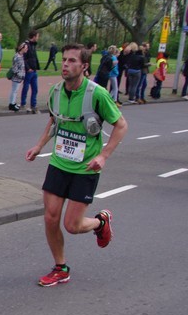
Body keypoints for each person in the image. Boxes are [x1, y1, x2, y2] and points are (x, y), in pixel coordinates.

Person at [25, 43, 128, 287]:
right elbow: (54, 121)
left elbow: (121, 125)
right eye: (64, 60)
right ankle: (60, 268)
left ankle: (100, 222)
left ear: (84, 66)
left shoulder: (97, 94)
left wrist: (103, 156)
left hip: (85, 168)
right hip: (59, 162)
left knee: (72, 225)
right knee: (50, 218)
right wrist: (39, 146)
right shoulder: (56, 92)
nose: (65, 64)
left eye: (72, 61)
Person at [20, 30, 40, 114]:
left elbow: (34, 57)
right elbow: (23, 58)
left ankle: (33, 104)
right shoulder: (26, 45)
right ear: (34, 36)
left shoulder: (33, 46)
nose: (38, 38)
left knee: (35, 88)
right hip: (29, 71)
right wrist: (28, 68)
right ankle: (23, 103)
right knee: (26, 87)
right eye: (37, 36)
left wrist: (37, 66)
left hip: (34, 70)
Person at [8, 41, 27, 111]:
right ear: (22, 48)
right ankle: (11, 104)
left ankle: (13, 102)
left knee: (15, 90)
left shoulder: (21, 56)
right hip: (16, 77)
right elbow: (15, 69)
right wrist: (20, 75)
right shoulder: (17, 57)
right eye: (26, 48)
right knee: (14, 90)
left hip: (19, 77)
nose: (26, 49)